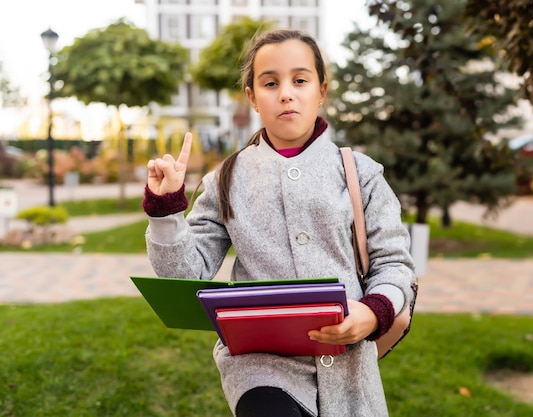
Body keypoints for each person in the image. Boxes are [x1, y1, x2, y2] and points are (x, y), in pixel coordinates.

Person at [142, 29, 415, 417]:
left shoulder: (362, 174)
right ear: (252, 97)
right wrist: (167, 209)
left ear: (321, 90)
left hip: (349, 369)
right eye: (270, 83)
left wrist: (372, 313)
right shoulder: (226, 179)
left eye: (300, 80)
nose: (286, 93)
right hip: (259, 366)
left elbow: (395, 263)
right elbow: (185, 272)